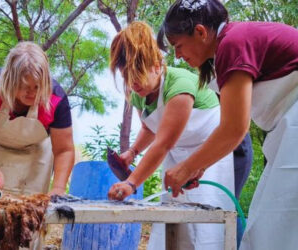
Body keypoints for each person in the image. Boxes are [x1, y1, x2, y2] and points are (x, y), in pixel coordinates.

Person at [158, 0, 298, 249]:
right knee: (267, 219)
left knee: (278, 221)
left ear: (200, 32)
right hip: (286, 127)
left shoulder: (232, 43)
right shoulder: (228, 47)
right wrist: (198, 166)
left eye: (179, 45)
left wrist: (186, 168)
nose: (178, 55)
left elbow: (234, 128)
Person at [107, 21, 235, 250]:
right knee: (171, 217)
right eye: (127, 75)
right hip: (175, 153)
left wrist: (131, 183)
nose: (133, 82)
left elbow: (163, 143)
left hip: (210, 150)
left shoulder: (180, 85)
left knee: (207, 221)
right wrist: (132, 152)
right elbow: (150, 128)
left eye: (138, 73)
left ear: (157, 65)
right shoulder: (138, 93)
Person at [0, 41, 75, 197]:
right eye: (24, 85)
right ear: (11, 79)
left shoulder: (56, 99)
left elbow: (64, 150)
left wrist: (59, 188)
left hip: (36, 156)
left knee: (29, 215)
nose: (32, 93)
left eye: (37, 87)